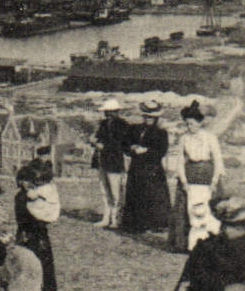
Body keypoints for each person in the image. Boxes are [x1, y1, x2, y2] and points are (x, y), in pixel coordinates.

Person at [170, 99, 224, 254]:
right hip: (190, 173)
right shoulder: (184, 138)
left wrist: (214, 181)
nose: (189, 127)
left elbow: (217, 159)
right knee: (186, 207)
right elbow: (180, 160)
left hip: (207, 172)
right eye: (187, 124)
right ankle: (186, 244)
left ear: (200, 123)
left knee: (207, 206)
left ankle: (210, 243)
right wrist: (183, 181)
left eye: (192, 124)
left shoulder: (210, 137)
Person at [119, 99, 172, 235]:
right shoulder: (134, 129)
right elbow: (124, 144)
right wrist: (132, 148)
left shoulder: (161, 133)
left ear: (156, 118)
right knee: (136, 194)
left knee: (153, 195)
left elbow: (161, 151)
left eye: (151, 117)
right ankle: (136, 224)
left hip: (152, 168)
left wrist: (146, 151)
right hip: (136, 167)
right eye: (146, 116)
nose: (148, 119)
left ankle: (155, 224)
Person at [14, 158, 60, 291]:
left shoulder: (40, 196)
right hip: (25, 233)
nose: (27, 184)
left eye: (30, 180)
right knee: (24, 265)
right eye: (24, 180)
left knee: (42, 265)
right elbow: (21, 217)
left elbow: (48, 214)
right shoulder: (21, 197)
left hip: (39, 235)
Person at [90, 98, 130, 228]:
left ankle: (116, 219)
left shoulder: (123, 125)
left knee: (115, 192)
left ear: (116, 112)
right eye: (106, 112)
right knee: (105, 190)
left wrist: (103, 146)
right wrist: (94, 141)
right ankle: (106, 218)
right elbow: (99, 138)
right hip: (103, 160)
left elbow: (121, 144)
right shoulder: (103, 124)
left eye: (110, 112)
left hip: (114, 161)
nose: (107, 114)